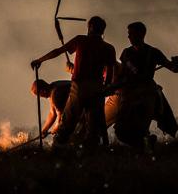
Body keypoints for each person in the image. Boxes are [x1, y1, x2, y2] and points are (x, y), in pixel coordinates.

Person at [31, 16, 115, 147]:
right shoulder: (109, 48)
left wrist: (40, 60)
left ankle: (57, 151)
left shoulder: (81, 40)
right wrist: (106, 87)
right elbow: (110, 71)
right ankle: (91, 156)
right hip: (97, 89)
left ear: (91, 27)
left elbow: (58, 51)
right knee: (93, 127)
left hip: (79, 88)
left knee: (68, 123)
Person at [112, 22, 178, 150]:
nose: (129, 37)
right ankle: (144, 144)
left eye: (131, 34)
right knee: (120, 130)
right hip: (128, 95)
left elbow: (172, 68)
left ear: (141, 34)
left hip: (146, 95)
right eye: (129, 34)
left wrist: (177, 63)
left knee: (141, 128)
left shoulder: (153, 52)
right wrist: (114, 86)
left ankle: (143, 147)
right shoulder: (126, 53)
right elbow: (120, 74)